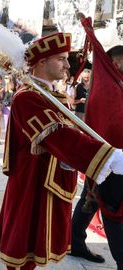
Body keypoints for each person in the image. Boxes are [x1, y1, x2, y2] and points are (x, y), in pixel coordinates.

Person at [0, 32, 123, 270]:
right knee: (23, 245)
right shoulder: (27, 97)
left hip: (48, 179)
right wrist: (108, 156)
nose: (66, 64)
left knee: (33, 245)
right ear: (42, 62)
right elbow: (57, 135)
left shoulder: (50, 94)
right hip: (32, 181)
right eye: (61, 59)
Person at [70, 45, 123, 268]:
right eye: (116, 61)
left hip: (113, 158)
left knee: (90, 202)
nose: (119, 66)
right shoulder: (105, 87)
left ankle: (75, 243)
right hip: (107, 159)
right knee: (109, 207)